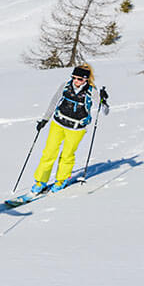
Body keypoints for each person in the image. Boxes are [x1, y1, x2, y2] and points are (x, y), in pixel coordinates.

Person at [30, 63, 109, 196]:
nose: (76, 81)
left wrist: (104, 100)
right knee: (49, 152)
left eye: (79, 79)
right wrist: (45, 119)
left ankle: (61, 181)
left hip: (76, 128)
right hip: (58, 123)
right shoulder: (65, 86)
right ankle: (40, 182)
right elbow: (54, 102)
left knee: (67, 155)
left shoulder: (91, 91)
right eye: (74, 77)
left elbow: (105, 111)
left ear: (85, 79)